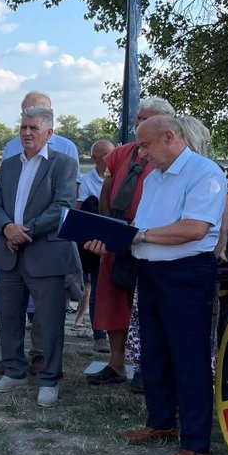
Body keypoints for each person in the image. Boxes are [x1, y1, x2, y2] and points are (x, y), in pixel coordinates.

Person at [99, 115, 226, 455]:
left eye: (145, 144)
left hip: (186, 274)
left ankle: (196, 443)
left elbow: (195, 228)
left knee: (188, 357)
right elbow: (142, 226)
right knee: (154, 352)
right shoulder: (155, 176)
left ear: (169, 136)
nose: (140, 153)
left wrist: (138, 236)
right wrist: (113, 238)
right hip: (151, 271)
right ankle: (160, 423)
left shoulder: (205, 173)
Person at [0, 106, 80, 408]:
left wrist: (23, 232)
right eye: (23, 127)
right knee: (10, 315)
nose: (26, 133)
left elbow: (62, 206)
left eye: (33, 129)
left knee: (49, 321)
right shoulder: (10, 164)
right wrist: (6, 228)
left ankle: (50, 379)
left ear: (48, 133)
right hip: (10, 254)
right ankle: (14, 370)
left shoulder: (63, 164)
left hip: (45, 253)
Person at [90, 96, 176, 389]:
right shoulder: (121, 154)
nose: (138, 123)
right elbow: (106, 191)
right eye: (138, 118)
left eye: (145, 119)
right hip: (118, 235)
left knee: (143, 305)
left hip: (151, 239)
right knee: (112, 301)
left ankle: (144, 366)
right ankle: (116, 363)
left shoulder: (167, 156)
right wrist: (106, 228)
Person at [76, 139, 115, 351]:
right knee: (97, 287)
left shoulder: (121, 176)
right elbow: (79, 210)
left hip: (116, 242)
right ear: (95, 158)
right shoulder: (86, 181)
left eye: (113, 154)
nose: (111, 160)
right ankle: (99, 334)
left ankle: (119, 334)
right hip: (94, 244)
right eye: (106, 156)